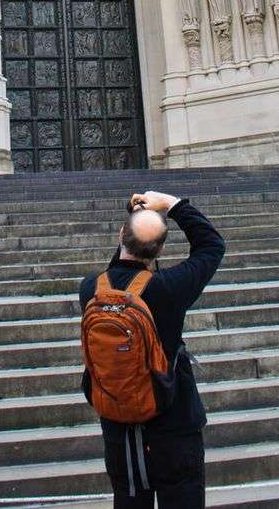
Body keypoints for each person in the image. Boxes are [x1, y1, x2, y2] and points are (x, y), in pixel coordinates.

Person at [79, 190, 226, 509]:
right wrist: (173, 205)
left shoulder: (91, 289)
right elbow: (211, 245)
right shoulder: (169, 289)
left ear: (121, 237)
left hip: (120, 430)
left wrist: (132, 224)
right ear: (159, 250)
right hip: (173, 427)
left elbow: (114, 273)